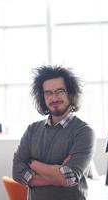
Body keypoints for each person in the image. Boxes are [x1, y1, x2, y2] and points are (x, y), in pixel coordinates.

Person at [12, 65, 95, 200]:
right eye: (48, 93)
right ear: (43, 97)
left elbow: (69, 177)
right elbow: (17, 173)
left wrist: (33, 164)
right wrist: (57, 175)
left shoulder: (84, 131)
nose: (54, 98)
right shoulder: (32, 129)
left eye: (60, 91)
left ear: (70, 93)